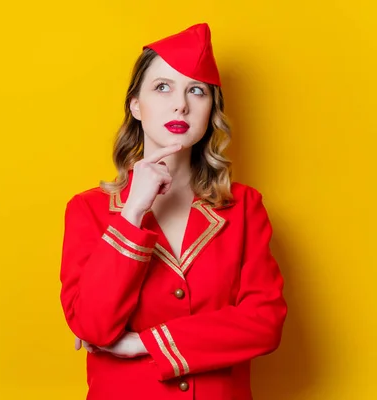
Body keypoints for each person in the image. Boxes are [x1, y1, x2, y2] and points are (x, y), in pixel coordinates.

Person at [59, 23, 287, 399]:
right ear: (136, 105)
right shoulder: (88, 210)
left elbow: (265, 323)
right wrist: (133, 212)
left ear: (211, 108)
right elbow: (93, 326)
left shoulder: (244, 207)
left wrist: (143, 343)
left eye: (195, 90)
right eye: (162, 87)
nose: (180, 104)